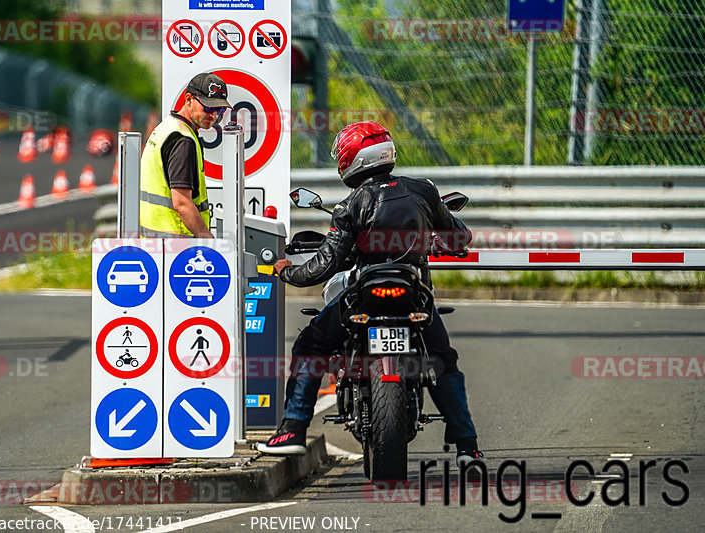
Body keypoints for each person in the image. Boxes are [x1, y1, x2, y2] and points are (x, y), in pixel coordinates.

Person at [256, 121, 483, 468]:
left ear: (352, 159)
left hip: (366, 293)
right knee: (443, 362)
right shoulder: (423, 191)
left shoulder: (351, 205)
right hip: (414, 293)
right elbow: (459, 238)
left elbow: (324, 265)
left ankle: (293, 430)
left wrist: (287, 270)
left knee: (311, 346)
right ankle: (468, 446)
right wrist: (438, 241)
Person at [139, 72, 231, 238]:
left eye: (220, 109)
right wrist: (207, 240)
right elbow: (182, 203)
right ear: (188, 99)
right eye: (208, 107)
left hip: (156, 242)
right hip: (177, 243)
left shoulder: (167, 126)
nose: (214, 115)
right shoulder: (183, 140)